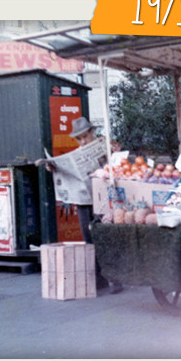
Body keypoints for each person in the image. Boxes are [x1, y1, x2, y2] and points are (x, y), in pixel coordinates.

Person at [38, 116, 121, 294]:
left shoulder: (104, 147)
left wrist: (115, 153)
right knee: (89, 239)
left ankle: (114, 278)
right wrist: (53, 167)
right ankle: (98, 279)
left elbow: (118, 165)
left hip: (102, 199)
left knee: (105, 237)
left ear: (92, 132)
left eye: (85, 136)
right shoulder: (76, 154)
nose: (83, 142)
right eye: (79, 139)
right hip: (83, 201)